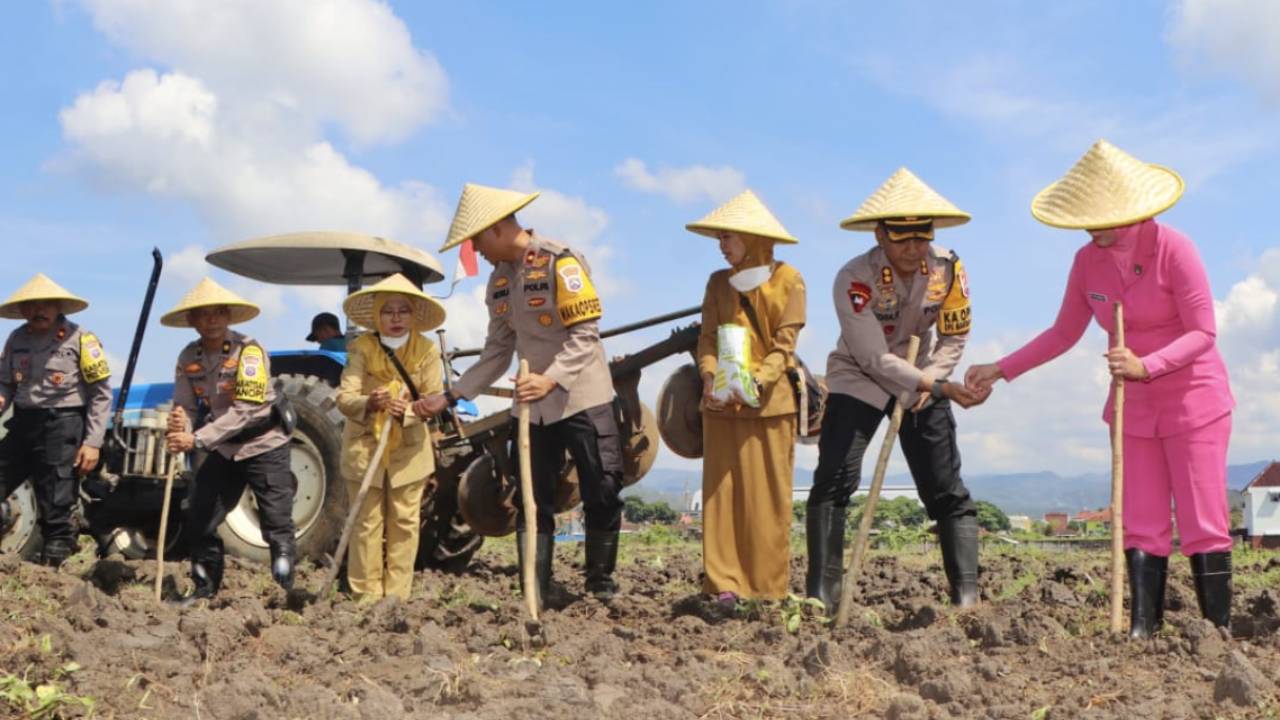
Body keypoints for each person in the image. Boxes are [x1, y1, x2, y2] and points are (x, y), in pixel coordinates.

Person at [965, 140, 1235, 637]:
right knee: (1143, 520)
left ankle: (1215, 631)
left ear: (1130, 210)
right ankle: (1142, 629)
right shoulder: (1086, 261)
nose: (1092, 227)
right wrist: (1000, 368)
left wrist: (1146, 364)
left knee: (1202, 520)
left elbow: (1203, 332)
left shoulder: (1174, 248)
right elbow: (1063, 333)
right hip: (1132, 408)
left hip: (1193, 399)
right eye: (1085, 217)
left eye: (1101, 217)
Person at [420, 183, 622, 607]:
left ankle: (600, 580)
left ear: (495, 229)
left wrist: (551, 377)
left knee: (602, 485)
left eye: (476, 241)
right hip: (533, 408)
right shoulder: (498, 282)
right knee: (531, 494)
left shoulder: (558, 261)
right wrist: (452, 395)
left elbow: (586, 335)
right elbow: (497, 350)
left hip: (582, 395)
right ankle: (537, 583)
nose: (476, 251)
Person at [807, 168, 989, 614]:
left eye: (920, 239)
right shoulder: (853, 278)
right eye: (902, 240)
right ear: (880, 234)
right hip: (860, 378)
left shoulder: (948, 269)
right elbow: (871, 357)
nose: (913, 250)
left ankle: (966, 597)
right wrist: (934, 383)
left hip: (924, 377)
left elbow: (954, 336)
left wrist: (932, 378)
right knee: (835, 479)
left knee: (945, 486)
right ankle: (821, 594)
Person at [689, 189, 806, 603]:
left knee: (766, 501)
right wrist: (708, 378)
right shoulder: (717, 283)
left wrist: (755, 381)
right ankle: (724, 585)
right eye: (720, 238)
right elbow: (706, 339)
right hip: (720, 406)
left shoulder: (788, 280)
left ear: (754, 239)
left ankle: (767, 588)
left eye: (729, 238)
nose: (722, 247)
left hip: (770, 407)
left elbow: (784, 346)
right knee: (721, 500)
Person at [163, 278, 297, 602]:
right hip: (222, 447)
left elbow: (245, 412)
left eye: (219, 313)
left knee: (276, 523)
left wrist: (195, 439)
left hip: (264, 443)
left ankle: (284, 596)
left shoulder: (249, 353)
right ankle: (204, 589)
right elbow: (186, 403)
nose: (212, 320)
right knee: (199, 517)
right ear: (192, 321)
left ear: (229, 317)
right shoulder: (187, 356)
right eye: (204, 314)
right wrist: (180, 423)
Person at [336, 274, 445, 601]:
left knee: (405, 523)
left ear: (413, 316)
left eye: (403, 311)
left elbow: (435, 397)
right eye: (388, 312)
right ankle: (365, 597)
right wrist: (371, 402)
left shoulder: (426, 350)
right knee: (366, 523)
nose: (396, 319)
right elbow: (344, 397)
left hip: (409, 452)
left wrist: (409, 410)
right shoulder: (361, 347)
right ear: (377, 315)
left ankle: (396, 598)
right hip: (364, 447)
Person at [0, 274, 111, 566]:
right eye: (33, 305)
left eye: (47, 305)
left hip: (63, 423)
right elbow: (5, 384)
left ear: (59, 307)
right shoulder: (16, 338)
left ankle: (53, 568)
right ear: (23, 310)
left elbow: (101, 393)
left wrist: (92, 442)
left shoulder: (82, 339)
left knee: (56, 495)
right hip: (23, 421)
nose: (40, 311)